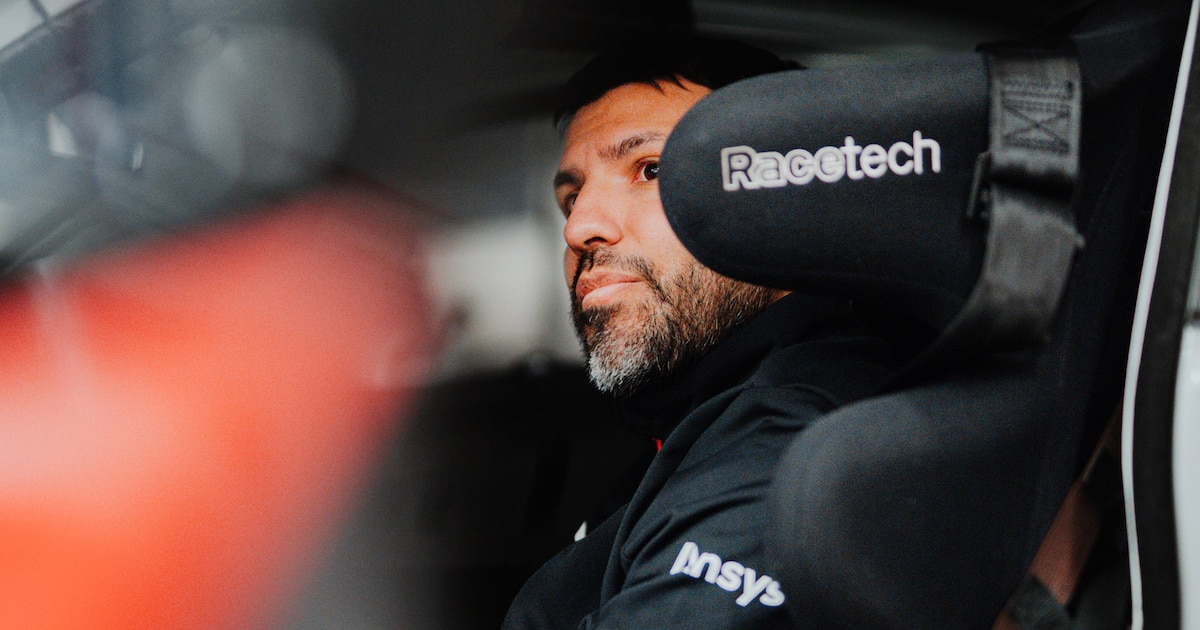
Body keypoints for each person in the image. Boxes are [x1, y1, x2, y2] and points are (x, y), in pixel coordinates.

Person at [503, 36, 894, 629]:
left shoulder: (791, 450)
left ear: (790, 209)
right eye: (572, 196)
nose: (579, 228)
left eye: (651, 170)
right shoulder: (692, 425)